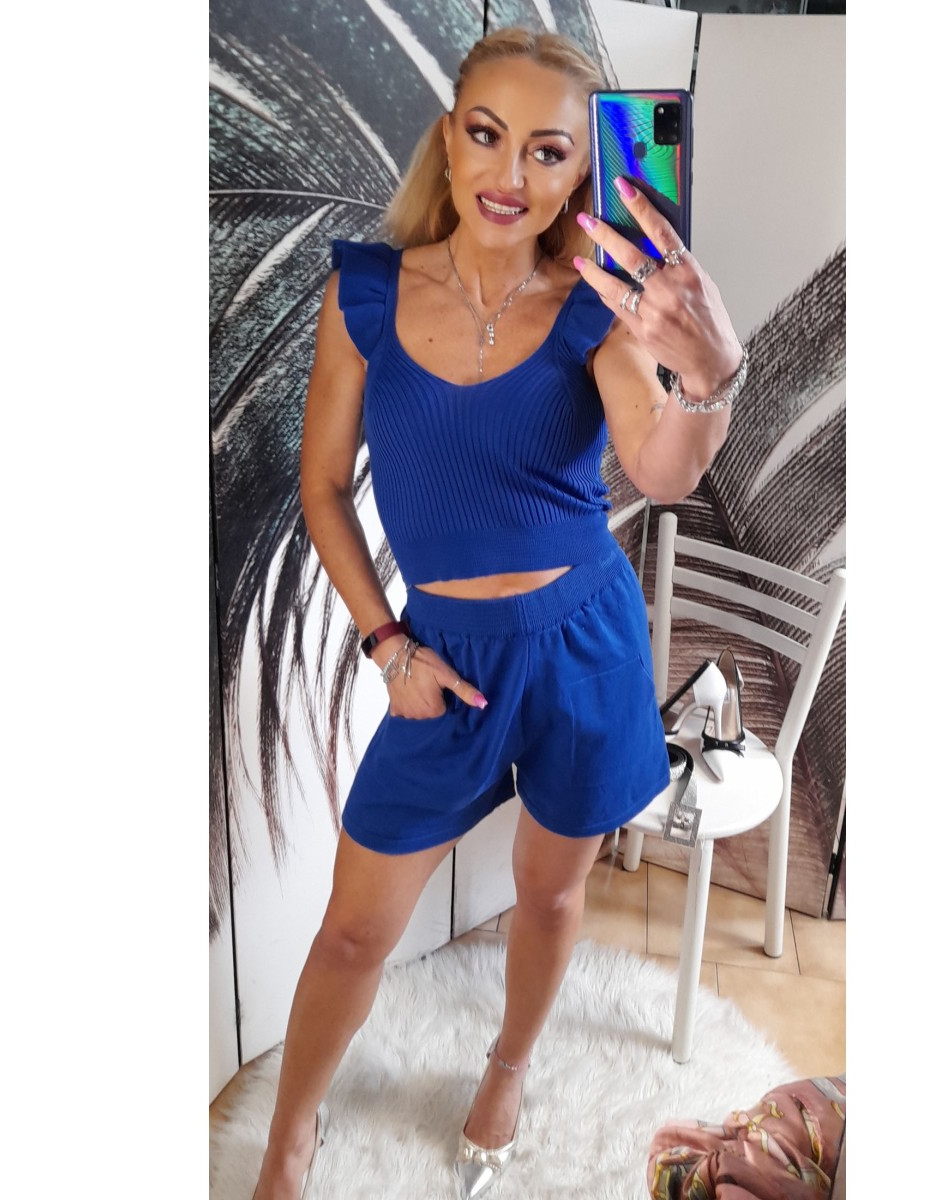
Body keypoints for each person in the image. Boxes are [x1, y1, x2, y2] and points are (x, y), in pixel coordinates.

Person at [252, 26, 747, 1200]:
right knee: (354, 932)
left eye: (548, 151)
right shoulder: (365, 293)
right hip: (441, 658)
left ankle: (509, 1068)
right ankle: (290, 1133)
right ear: (449, 138)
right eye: (487, 135)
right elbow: (321, 488)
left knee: (552, 890)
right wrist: (387, 644)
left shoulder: (595, 310)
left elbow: (664, 473)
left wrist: (710, 379)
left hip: (583, 645)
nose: (510, 174)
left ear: (584, 172)